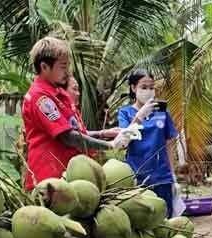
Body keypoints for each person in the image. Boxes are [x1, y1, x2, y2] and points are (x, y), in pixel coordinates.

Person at [22, 37, 126, 191]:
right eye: (63, 67)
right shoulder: (40, 98)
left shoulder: (58, 93)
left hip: (66, 177)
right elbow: (68, 137)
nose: (67, 72)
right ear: (44, 67)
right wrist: (110, 145)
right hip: (49, 180)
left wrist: (103, 133)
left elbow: (74, 131)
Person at [117, 69, 180, 217]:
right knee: (142, 219)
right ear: (133, 88)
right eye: (144, 87)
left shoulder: (162, 113)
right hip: (137, 176)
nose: (148, 91)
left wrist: (172, 175)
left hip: (162, 177)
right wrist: (139, 116)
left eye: (151, 88)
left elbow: (169, 144)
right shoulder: (125, 113)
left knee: (165, 219)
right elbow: (123, 142)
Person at [64, 77, 121, 143]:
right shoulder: (60, 111)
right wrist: (108, 144)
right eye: (74, 89)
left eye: (78, 90)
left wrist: (104, 133)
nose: (78, 93)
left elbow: (83, 133)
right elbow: (71, 137)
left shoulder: (74, 111)